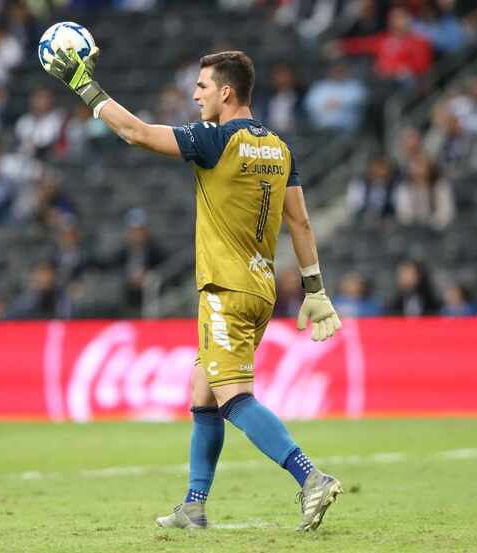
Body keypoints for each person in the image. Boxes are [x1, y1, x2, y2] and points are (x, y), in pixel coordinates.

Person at [43, 46, 344, 530]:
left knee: (233, 397)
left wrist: (84, 87)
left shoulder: (215, 140)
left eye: (202, 86)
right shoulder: (280, 148)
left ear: (226, 92)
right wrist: (316, 290)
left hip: (224, 286)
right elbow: (301, 222)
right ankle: (194, 505)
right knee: (203, 392)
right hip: (260, 287)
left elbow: (135, 132)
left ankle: (311, 477)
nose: (195, 94)